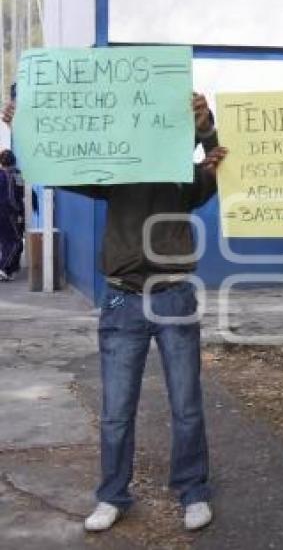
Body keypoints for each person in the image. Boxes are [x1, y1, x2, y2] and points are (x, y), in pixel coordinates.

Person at [7, 94, 229, 531]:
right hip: (121, 297)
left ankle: (193, 491)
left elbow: (212, 170)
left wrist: (206, 127)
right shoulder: (113, 166)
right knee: (115, 409)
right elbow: (59, 165)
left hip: (173, 295)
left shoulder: (183, 173)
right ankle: (112, 496)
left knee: (186, 405)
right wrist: (27, 128)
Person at [0, 149, 24, 281]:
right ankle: (4, 268)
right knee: (16, 241)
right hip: (9, 213)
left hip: (5, 213)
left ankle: (8, 270)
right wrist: (19, 211)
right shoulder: (15, 174)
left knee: (5, 242)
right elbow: (14, 197)